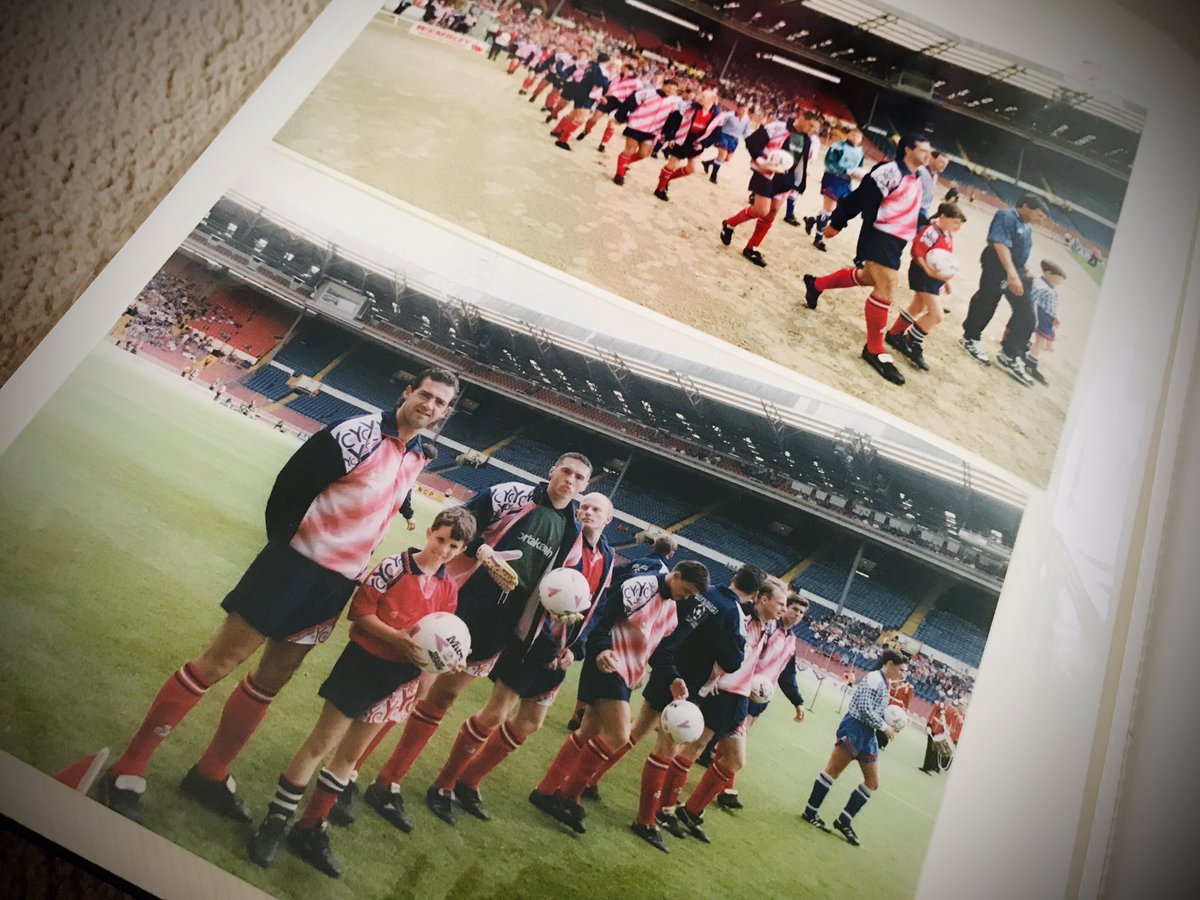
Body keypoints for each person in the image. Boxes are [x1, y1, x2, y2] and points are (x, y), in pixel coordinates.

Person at [94, 369, 460, 824]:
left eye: (440, 402)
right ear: (407, 392)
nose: (430, 404)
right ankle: (128, 768)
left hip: (334, 587)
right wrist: (286, 553)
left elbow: (390, 492)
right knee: (217, 663)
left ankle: (211, 773)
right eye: (425, 394)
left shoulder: (421, 454)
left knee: (271, 681)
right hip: (291, 568)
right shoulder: (357, 432)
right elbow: (290, 488)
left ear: (446, 412)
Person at [358, 453, 591, 829]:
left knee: (443, 699)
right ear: (551, 470)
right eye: (565, 470)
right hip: (457, 603)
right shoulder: (512, 494)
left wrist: (559, 611)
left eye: (579, 477)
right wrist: (481, 549)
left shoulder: (572, 534)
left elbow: (560, 583)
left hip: (500, 625)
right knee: (409, 690)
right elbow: (458, 520)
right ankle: (348, 771)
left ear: (584, 486)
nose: (570, 479)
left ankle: (388, 781)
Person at [246, 507, 476, 877]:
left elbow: (443, 636)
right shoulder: (395, 567)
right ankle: (275, 821)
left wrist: (447, 662)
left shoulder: (449, 587)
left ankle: (310, 827)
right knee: (321, 743)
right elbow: (360, 612)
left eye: (454, 546)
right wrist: (398, 638)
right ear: (429, 532)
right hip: (363, 665)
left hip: (401, 676)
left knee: (349, 759)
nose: (444, 549)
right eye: (441, 539)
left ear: (462, 549)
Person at [436, 492, 616, 822]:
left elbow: (597, 609)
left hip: (562, 654)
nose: (588, 512)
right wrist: (548, 647)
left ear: (609, 519)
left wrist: (574, 650)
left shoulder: (607, 556)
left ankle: (469, 780)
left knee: (531, 722)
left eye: (596, 509)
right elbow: (539, 593)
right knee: (495, 714)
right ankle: (445, 783)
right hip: (533, 645)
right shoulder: (567, 542)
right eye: (585, 506)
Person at [528, 560, 711, 836]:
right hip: (608, 664)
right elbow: (602, 619)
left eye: (689, 595)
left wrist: (673, 677)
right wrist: (600, 650)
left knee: (588, 730)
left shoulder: (671, 610)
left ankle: (545, 791)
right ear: (675, 575)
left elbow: (660, 652)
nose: (683, 597)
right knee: (619, 736)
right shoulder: (641, 587)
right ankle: (567, 796)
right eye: (684, 590)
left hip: (625, 673)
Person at [625, 564, 759, 851]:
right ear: (756, 594)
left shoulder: (702, 591)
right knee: (666, 750)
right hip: (686, 683)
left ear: (734, 578)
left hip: (664, 665)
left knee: (635, 731)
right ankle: (645, 821)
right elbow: (733, 661)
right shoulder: (734, 613)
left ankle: (588, 780)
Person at [802, 135, 934, 386]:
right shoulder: (889, 172)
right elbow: (860, 198)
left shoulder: (919, 177)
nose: (928, 155)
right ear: (907, 149)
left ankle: (815, 284)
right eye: (923, 150)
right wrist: (837, 223)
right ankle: (874, 349)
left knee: (866, 278)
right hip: (879, 236)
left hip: (897, 243)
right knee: (886, 288)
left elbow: (913, 210)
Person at [670, 577, 789, 843]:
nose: (783, 608)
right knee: (694, 749)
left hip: (740, 698)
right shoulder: (742, 619)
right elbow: (721, 652)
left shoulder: (768, 628)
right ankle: (667, 807)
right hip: (721, 694)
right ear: (763, 599)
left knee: (735, 760)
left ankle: (690, 811)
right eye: (780, 603)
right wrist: (712, 680)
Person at [565, 533, 678, 731]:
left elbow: (612, 575)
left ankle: (578, 714)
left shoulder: (638, 561)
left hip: (606, 611)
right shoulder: (662, 573)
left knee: (592, 667)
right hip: (624, 624)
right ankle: (587, 716)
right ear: (669, 553)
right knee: (614, 674)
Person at [708, 590, 808, 811]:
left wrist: (797, 701)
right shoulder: (770, 628)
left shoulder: (791, 640)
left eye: (801, 612)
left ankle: (720, 785)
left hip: (761, 699)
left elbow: (787, 674)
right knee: (730, 742)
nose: (797, 614)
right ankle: (724, 789)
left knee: (728, 744)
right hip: (742, 689)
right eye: (794, 608)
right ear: (784, 607)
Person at [801, 649, 910, 846]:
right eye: (901, 670)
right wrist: (884, 726)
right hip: (854, 728)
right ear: (890, 665)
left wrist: (888, 720)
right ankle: (810, 811)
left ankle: (844, 820)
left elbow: (874, 710)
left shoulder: (885, 682)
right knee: (832, 771)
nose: (904, 675)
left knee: (873, 782)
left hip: (868, 733)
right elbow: (863, 708)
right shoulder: (874, 678)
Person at [957, 193, 1050, 379]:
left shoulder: (1027, 226)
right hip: (998, 265)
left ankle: (1009, 354)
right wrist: (1012, 274)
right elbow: (1000, 244)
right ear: (1025, 206)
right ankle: (970, 337)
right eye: (1039, 215)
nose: (1040, 220)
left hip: (1016, 270)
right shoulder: (1006, 216)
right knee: (987, 300)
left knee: (1026, 312)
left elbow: (1020, 252)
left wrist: (1024, 271)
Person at [719, 111, 817, 268]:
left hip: (785, 179)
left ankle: (752, 248)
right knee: (761, 211)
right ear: (801, 118)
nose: (811, 130)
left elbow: (804, 163)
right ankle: (729, 224)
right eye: (810, 125)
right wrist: (760, 160)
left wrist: (798, 184)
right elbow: (752, 142)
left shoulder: (807, 140)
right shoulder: (778, 127)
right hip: (765, 173)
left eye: (814, 128)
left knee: (773, 212)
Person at [883, 201, 968, 372]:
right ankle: (912, 341)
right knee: (936, 314)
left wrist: (946, 281)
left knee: (918, 305)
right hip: (923, 274)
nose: (957, 226)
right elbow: (917, 252)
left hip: (934, 276)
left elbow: (944, 261)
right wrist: (928, 271)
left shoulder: (948, 234)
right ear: (943, 217)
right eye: (955, 222)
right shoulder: (931, 231)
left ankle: (894, 334)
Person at [799, 126, 865, 249]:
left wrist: (858, 174)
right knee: (828, 209)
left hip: (846, 182)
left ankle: (812, 220)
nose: (855, 138)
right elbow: (829, 164)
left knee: (838, 209)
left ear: (861, 139)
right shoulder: (838, 146)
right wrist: (846, 171)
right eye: (853, 135)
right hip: (833, 179)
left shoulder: (860, 151)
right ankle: (818, 238)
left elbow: (860, 167)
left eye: (858, 136)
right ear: (848, 134)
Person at [652, 88, 723, 201]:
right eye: (701, 94)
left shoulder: (718, 115)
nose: (699, 96)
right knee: (672, 164)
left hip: (697, 141)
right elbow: (674, 120)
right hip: (682, 137)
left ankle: (666, 179)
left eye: (704, 96)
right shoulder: (689, 107)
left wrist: (703, 144)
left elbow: (716, 135)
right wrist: (671, 137)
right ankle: (660, 189)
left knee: (691, 169)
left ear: (712, 100)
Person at [612, 79, 681, 186]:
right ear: (663, 85)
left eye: (673, 89)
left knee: (643, 154)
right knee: (630, 150)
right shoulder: (648, 93)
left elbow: (673, 120)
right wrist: (620, 117)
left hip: (652, 132)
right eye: (669, 87)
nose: (670, 90)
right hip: (635, 126)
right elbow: (629, 103)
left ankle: (623, 164)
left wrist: (666, 134)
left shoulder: (674, 103)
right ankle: (619, 175)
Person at [1022, 259, 1067, 386]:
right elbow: (1033, 299)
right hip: (1041, 317)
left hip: (1047, 318)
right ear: (1049, 273)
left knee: (1044, 344)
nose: (1060, 282)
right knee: (1041, 342)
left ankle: (1028, 355)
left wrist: (1054, 317)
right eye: (1058, 278)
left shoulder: (1048, 287)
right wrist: (1034, 317)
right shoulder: (1041, 285)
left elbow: (1051, 305)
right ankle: (1030, 364)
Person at [701, 102, 752, 184]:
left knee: (727, 159)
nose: (744, 112)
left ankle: (707, 163)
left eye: (745, 111)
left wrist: (749, 142)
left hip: (734, 139)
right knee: (722, 156)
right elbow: (718, 123)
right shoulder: (729, 115)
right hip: (724, 136)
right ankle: (713, 176)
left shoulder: (746, 120)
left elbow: (746, 133)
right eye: (742, 110)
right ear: (737, 109)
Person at [920, 695, 965, 774]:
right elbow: (932, 715)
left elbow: (951, 724)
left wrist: (948, 733)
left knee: (936, 750)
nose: (948, 699)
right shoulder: (939, 705)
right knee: (929, 748)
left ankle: (930, 767)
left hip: (940, 732)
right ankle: (927, 767)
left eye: (950, 698)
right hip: (933, 729)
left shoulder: (953, 711)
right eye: (947, 697)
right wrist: (928, 725)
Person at [916, 150, 949, 228]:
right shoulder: (920, 171)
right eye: (942, 162)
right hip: (916, 209)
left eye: (946, 164)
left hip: (924, 210)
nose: (944, 166)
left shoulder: (935, 176)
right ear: (932, 159)